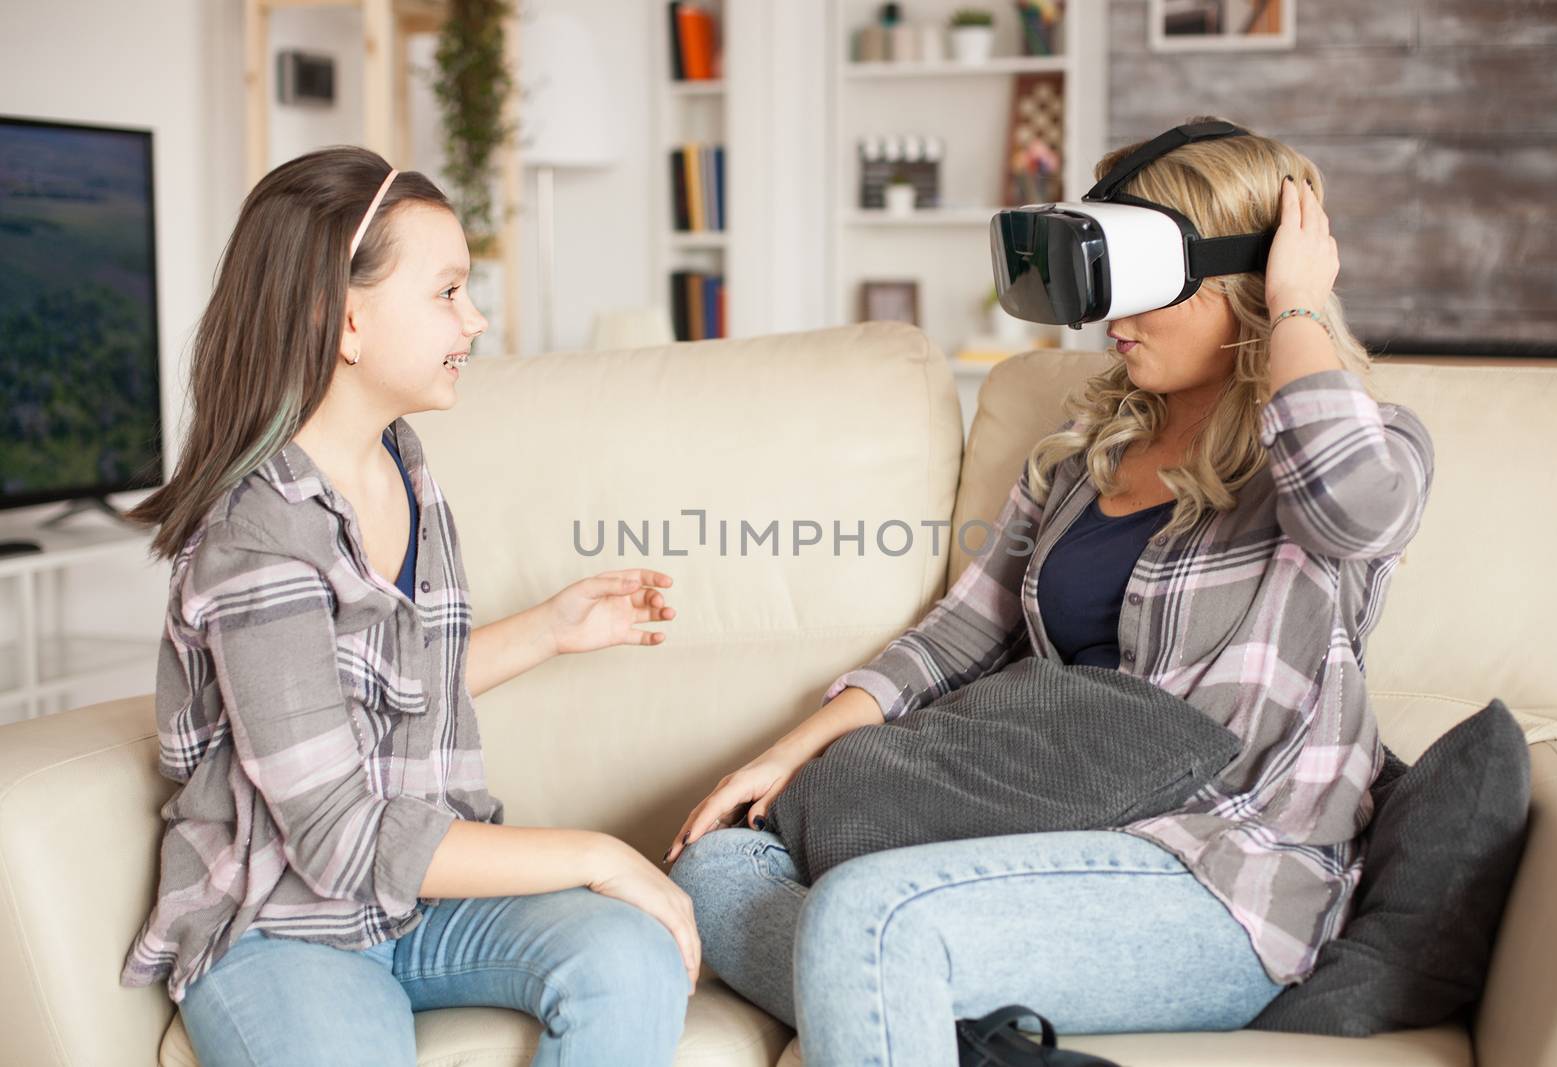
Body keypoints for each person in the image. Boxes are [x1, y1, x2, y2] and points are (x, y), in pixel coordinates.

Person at [665, 118, 1436, 1066]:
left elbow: (1353, 508)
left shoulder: (1365, 446)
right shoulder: (1082, 455)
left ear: (1243, 277)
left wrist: (1300, 310)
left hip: (1214, 876)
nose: (1110, 316)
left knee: (867, 917)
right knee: (717, 867)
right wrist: (784, 755)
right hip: (1037, 823)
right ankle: (966, 1036)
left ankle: (891, 984)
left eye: (1139, 278)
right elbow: (959, 635)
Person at [120, 146, 698, 1067]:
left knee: (631, 954)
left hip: (419, 906)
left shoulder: (403, 462)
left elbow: (378, 688)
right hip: (285, 923)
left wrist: (551, 628)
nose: (474, 320)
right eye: (447, 292)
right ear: (346, 320)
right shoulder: (255, 541)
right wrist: (600, 852)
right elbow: (341, 836)